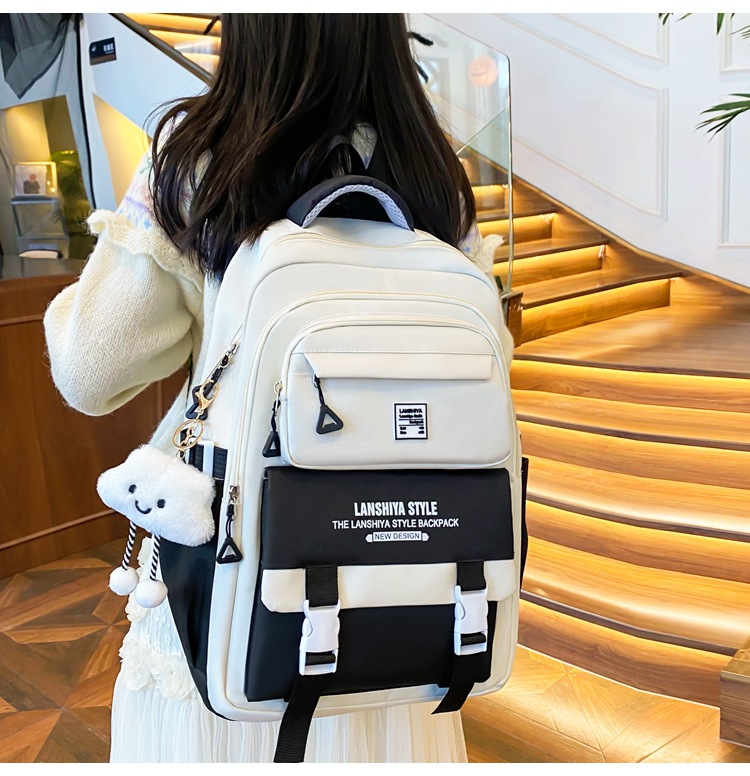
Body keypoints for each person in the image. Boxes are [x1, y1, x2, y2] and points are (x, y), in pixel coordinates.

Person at [43, 13, 511, 763]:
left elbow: (88, 371)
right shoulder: (428, 167)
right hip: (412, 573)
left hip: (232, 559)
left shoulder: (198, 156)